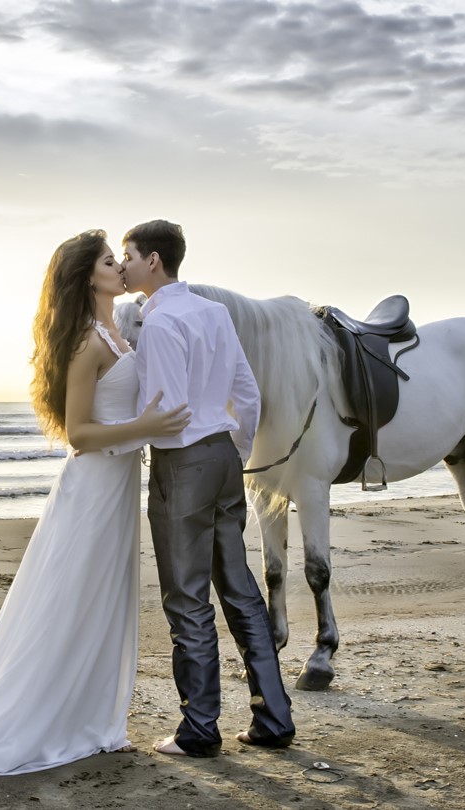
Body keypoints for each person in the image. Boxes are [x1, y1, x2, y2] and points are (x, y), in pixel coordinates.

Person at [0, 229, 189, 780]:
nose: (119, 267)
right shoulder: (86, 342)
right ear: (86, 275)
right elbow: (79, 433)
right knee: (71, 600)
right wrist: (147, 427)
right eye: (109, 261)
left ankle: (93, 721)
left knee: (103, 602)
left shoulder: (117, 331)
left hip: (117, 487)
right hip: (92, 487)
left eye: (120, 260)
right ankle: (50, 719)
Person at [114, 219, 295, 757]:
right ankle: (273, 719)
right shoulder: (214, 313)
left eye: (127, 255)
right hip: (221, 456)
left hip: (183, 463)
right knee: (239, 590)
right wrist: (233, 449)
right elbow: (248, 392)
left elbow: (166, 410)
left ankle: (198, 729)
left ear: (153, 261)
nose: (122, 265)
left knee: (187, 599)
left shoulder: (161, 321)